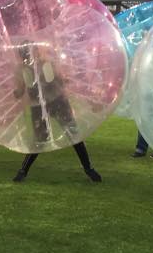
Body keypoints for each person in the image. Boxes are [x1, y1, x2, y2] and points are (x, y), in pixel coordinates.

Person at [11, 44, 101, 183]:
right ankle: (89, 169)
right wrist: (17, 92)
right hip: (44, 105)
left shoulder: (44, 64)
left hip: (54, 102)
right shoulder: (28, 68)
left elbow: (57, 80)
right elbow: (22, 89)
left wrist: (62, 79)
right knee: (48, 138)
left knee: (69, 134)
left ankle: (23, 172)